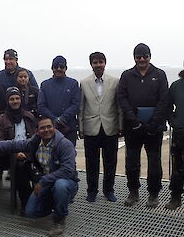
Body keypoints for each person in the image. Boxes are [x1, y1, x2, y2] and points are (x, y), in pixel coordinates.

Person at [0, 116, 79, 237]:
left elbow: (68, 171)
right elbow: (15, 144)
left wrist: (43, 181)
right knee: (31, 212)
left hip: (65, 182)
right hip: (47, 183)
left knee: (61, 186)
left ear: (54, 128)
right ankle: (58, 203)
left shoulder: (65, 145)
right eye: (42, 128)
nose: (46, 130)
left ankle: (59, 218)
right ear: (37, 131)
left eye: (49, 126)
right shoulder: (35, 142)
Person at [117, 43, 168, 208]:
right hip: (133, 127)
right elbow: (122, 98)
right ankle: (133, 192)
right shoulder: (126, 75)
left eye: (144, 56)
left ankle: (153, 194)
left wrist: (154, 123)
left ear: (149, 56)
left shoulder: (160, 75)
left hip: (154, 128)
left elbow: (164, 101)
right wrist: (134, 120)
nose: (142, 59)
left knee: (154, 162)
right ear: (134, 58)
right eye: (138, 56)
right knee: (131, 162)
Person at [79, 52, 123, 202]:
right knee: (91, 162)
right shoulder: (84, 82)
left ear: (105, 63)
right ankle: (92, 191)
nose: (98, 65)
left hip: (110, 127)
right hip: (91, 128)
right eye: (95, 62)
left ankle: (108, 190)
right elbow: (81, 107)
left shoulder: (115, 81)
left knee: (110, 162)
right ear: (91, 64)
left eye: (101, 62)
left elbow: (119, 106)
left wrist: (121, 126)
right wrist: (81, 128)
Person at [0, 87, 37, 212]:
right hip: (9, 154)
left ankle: (40, 200)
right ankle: (26, 203)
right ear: (7, 101)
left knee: (39, 166)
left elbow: (35, 137)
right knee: (21, 167)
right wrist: (16, 153)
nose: (15, 101)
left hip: (29, 151)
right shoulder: (0, 119)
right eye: (12, 99)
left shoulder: (29, 116)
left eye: (17, 98)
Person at [38, 55, 81, 146]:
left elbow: (76, 104)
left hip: (69, 127)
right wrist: (54, 119)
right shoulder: (45, 85)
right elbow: (41, 106)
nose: (58, 69)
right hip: (49, 128)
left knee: (69, 155)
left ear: (66, 68)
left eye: (61, 67)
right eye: (56, 67)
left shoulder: (73, 84)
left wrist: (63, 119)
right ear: (52, 68)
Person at [165, 69, 184, 210]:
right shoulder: (176, 85)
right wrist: (172, 120)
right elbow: (167, 105)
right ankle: (175, 197)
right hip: (180, 132)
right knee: (177, 167)